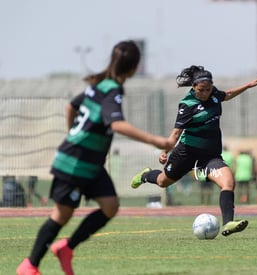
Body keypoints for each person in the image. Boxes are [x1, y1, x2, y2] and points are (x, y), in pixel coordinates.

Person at [16, 40, 172, 275]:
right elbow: (117, 124)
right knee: (62, 215)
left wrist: (72, 133)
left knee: (110, 206)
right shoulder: (111, 90)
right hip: (75, 162)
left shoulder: (99, 86)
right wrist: (156, 140)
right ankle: (30, 266)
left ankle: (66, 248)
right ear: (134, 67)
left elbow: (72, 106)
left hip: (90, 163)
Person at [131, 65, 257, 236]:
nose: (205, 93)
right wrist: (165, 151)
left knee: (228, 183)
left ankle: (228, 223)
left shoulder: (214, 94)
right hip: (186, 154)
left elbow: (228, 94)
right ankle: (145, 175)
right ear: (193, 87)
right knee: (162, 182)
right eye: (201, 90)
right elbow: (175, 134)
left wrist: (248, 85)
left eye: (208, 89)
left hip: (209, 157)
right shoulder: (187, 105)